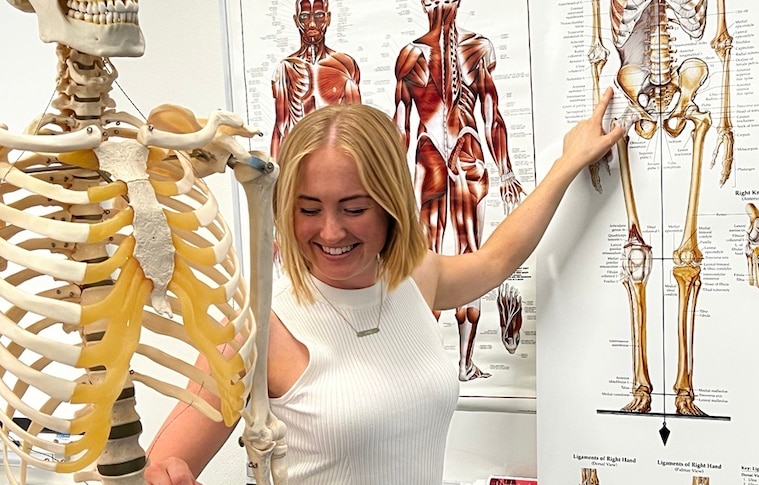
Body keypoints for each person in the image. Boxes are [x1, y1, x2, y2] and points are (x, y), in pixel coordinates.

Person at [143, 88, 624, 484]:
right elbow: (161, 470)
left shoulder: (416, 278)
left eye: (354, 209)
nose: (330, 232)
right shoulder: (255, 328)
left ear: (391, 203)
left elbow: (497, 259)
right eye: (308, 209)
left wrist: (567, 164)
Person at [393, 0, 525, 379]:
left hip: (464, 154)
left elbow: (491, 112)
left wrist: (507, 170)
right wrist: (390, 183)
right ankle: (429, 367)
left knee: (470, 257)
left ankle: (464, 363)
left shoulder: (475, 49)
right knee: (428, 258)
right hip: (431, 156)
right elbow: (399, 123)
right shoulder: (411, 56)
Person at [270, 0, 362, 159]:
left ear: (328, 18)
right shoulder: (286, 68)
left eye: (319, 15)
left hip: (340, 160)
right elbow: (280, 127)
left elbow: (358, 126)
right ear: (296, 20)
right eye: (305, 16)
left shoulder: (345, 65)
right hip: (300, 162)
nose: (312, 24)